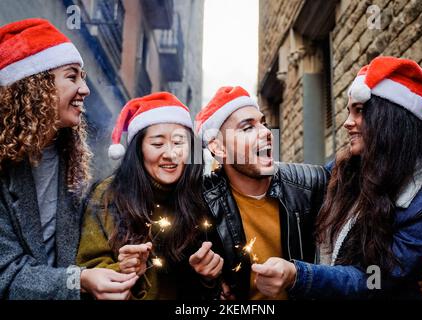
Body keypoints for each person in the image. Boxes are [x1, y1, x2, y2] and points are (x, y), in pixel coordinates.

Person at [251, 56, 422, 299]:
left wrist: (299, 275)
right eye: (348, 111)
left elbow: (372, 279)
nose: (347, 123)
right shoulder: (349, 166)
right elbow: (301, 180)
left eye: (359, 111)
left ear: (390, 120)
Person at [0, 18, 138, 300]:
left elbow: (73, 256)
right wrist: (79, 281)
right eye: (72, 76)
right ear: (35, 86)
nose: (85, 90)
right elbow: (5, 273)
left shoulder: (67, 154)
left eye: (83, 77)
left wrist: (116, 262)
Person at [76, 92, 223, 299]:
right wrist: (124, 270)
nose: (170, 154)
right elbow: (89, 269)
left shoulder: (201, 197)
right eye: (157, 144)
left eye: (179, 143)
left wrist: (207, 277)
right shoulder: (108, 196)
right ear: (139, 150)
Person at [194, 86, 329, 300]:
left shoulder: (310, 183)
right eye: (247, 128)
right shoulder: (200, 203)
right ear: (218, 148)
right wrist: (207, 283)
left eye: (263, 124)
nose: (266, 132)